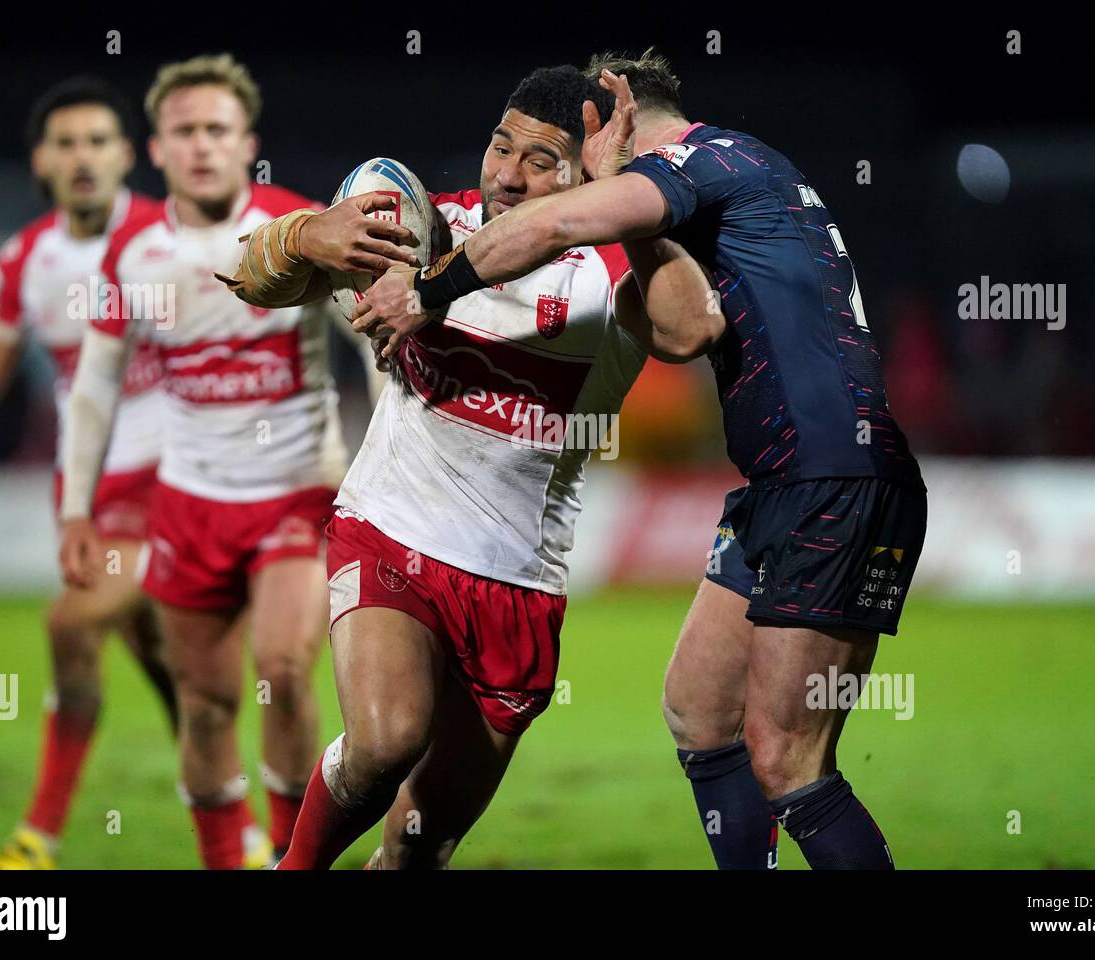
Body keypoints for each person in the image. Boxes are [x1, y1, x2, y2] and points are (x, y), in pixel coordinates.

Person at [353, 50, 928, 870]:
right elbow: (683, 318)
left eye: (564, 145)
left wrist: (425, 290)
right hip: (787, 482)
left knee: (789, 762)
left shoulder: (698, 160)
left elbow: (562, 231)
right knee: (699, 710)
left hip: (832, 477)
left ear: (610, 118)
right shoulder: (743, 169)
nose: (528, 174)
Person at [220, 65, 714, 869]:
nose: (507, 174)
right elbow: (249, 278)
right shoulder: (422, 232)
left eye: (542, 158)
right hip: (389, 532)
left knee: (421, 845)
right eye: (499, 145)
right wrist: (307, 236)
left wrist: (626, 202)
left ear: (584, 168)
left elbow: (691, 331)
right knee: (386, 741)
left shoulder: (610, 271)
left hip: (516, 583)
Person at [57, 54, 415, 868]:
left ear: (245, 140)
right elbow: (95, 391)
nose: (202, 146)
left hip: (297, 493)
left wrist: (390, 449)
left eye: (217, 129)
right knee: (208, 702)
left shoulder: (308, 228)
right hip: (189, 501)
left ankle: (294, 855)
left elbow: (371, 339)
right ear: (157, 148)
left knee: (284, 670)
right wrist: (77, 510)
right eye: (185, 131)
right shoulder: (132, 256)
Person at [0, 77, 174, 870]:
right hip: (88, 494)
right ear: (42, 161)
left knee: (72, 623)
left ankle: (38, 838)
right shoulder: (25, 258)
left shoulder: (172, 237)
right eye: (67, 143)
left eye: (99, 141)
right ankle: (247, 820)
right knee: (170, 661)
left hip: (178, 482)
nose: (84, 157)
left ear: (128, 155)